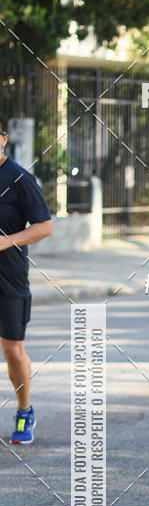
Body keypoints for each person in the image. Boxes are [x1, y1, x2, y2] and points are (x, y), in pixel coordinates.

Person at [0, 114, 53, 443]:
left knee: (12, 350)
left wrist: (5, 240)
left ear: (3, 138)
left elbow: (44, 226)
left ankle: (24, 410)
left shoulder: (19, 178)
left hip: (9, 278)